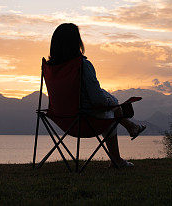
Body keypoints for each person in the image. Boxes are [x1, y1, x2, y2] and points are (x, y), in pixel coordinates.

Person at [47, 23, 146, 168]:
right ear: (77, 42)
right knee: (112, 112)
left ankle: (131, 127)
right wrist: (112, 101)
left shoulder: (50, 68)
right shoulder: (82, 65)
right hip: (85, 119)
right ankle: (117, 159)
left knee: (110, 105)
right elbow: (96, 99)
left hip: (62, 121)